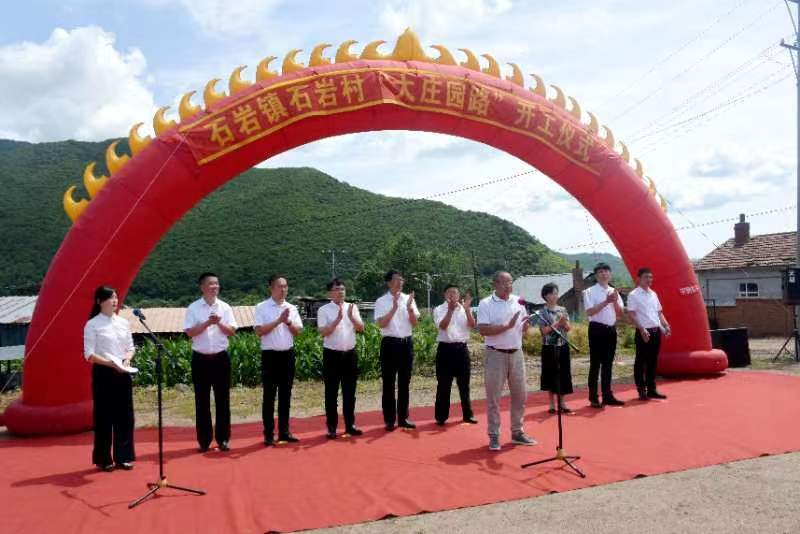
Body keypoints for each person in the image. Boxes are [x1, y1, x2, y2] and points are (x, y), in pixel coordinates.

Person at [477, 271, 537, 451]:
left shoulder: (519, 302)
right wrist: (506, 326)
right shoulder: (486, 303)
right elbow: (483, 330)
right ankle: (494, 435)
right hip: (495, 354)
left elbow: (523, 329)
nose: (508, 286)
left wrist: (525, 326)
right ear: (495, 284)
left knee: (520, 395)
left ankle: (517, 432)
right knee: (494, 397)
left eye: (510, 282)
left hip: (516, 353)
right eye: (504, 283)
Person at [83, 285, 136, 471]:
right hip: (104, 372)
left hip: (123, 371)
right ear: (99, 301)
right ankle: (104, 459)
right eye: (110, 298)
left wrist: (127, 359)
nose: (115, 301)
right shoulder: (92, 324)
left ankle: (123, 457)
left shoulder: (123, 322)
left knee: (125, 416)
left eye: (116, 297)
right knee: (104, 416)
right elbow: (89, 354)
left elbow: (130, 347)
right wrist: (110, 363)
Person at [184, 272, 238, 452]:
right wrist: (208, 323)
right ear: (202, 287)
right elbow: (189, 332)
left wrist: (219, 323)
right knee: (202, 401)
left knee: (223, 400)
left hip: (221, 358)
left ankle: (223, 439)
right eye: (211, 284)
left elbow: (232, 331)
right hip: (200, 359)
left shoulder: (225, 307)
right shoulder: (193, 308)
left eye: (217, 283)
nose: (215, 287)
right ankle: (204, 441)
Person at [255, 275, 303, 445]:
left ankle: (284, 431)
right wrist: (278, 321)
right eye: (279, 286)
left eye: (285, 286)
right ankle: (268, 434)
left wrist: (288, 322)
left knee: (285, 395)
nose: (283, 290)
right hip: (270, 356)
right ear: (271, 288)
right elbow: (259, 331)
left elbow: (298, 332)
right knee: (269, 396)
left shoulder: (292, 308)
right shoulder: (262, 307)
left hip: (287, 355)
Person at [317, 278, 365, 439]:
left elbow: (361, 328)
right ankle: (332, 427)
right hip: (332, 355)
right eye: (337, 289)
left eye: (343, 289)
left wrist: (351, 317)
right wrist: (337, 320)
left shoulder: (352, 307)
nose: (341, 292)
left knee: (350, 392)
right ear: (330, 293)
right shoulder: (324, 310)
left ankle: (350, 425)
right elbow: (323, 332)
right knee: (331, 393)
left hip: (350, 354)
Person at [374, 269, 420, 431]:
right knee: (388, 382)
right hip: (389, 344)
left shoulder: (408, 299)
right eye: (396, 279)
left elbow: (414, 323)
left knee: (404, 382)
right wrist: (393, 308)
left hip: (406, 343)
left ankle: (403, 417)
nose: (400, 282)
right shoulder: (381, 301)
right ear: (389, 282)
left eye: (402, 279)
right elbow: (381, 324)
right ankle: (389, 419)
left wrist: (409, 308)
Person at [432, 285, 477, 426]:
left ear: (459, 295)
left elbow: (472, 325)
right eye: (450, 292)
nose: (452, 295)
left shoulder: (464, 309)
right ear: (444, 295)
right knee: (444, 384)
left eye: (455, 292)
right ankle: (441, 416)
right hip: (445, 349)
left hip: (461, 349)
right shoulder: (439, 309)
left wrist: (468, 310)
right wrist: (450, 311)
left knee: (464, 384)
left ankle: (468, 415)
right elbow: (442, 326)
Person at [583, 262, 626, 408]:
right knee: (595, 364)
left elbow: (620, 314)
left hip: (610, 330)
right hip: (596, 329)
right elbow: (590, 312)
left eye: (606, 271)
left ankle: (607, 396)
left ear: (610, 274)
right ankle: (593, 397)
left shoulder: (614, 291)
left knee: (608, 364)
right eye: (601, 271)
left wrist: (614, 301)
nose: (604, 273)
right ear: (596, 275)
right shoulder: (589, 291)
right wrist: (606, 301)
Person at [626, 267, 671, 401]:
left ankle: (652, 389)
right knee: (641, 362)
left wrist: (666, 325)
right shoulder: (633, 295)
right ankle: (641, 390)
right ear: (638, 279)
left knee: (652, 361)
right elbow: (631, 314)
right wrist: (641, 329)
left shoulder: (653, 294)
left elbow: (659, 312)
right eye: (646, 277)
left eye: (650, 277)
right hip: (643, 332)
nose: (649, 280)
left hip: (656, 331)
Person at [534, 283, 574, 414]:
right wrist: (557, 323)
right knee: (550, 374)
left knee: (563, 374)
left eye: (556, 293)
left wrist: (565, 323)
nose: (555, 296)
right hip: (549, 347)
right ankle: (551, 404)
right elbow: (544, 331)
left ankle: (562, 402)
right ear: (545, 296)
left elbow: (568, 328)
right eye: (552, 293)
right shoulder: (542, 312)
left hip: (563, 345)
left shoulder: (563, 309)